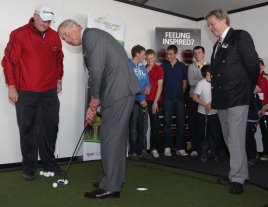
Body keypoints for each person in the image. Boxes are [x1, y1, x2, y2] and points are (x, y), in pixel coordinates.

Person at [57, 19, 141, 199]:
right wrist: (96, 101)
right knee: (116, 137)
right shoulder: (93, 35)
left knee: (110, 136)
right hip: (121, 91)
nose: (66, 40)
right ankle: (115, 178)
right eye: (63, 38)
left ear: (75, 27)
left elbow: (96, 71)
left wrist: (93, 102)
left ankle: (111, 186)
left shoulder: (91, 37)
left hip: (118, 91)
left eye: (65, 34)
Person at [1, 3, 64, 181]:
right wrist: (11, 86)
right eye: (43, 20)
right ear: (35, 16)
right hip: (25, 91)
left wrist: (59, 78)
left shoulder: (54, 37)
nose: (46, 24)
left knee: (50, 128)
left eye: (49, 21)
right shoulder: (19, 34)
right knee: (27, 129)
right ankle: (29, 167)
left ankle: (50, 164)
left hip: (49, 92)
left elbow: (59, 59)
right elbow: (8, 62)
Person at [205, 9, 259, 194]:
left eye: (212, 24)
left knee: (235, 137)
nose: (210, 28)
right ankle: (241, 173)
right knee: (229, 138)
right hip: (221, 98)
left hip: (237, 95)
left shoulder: (240, 36)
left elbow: (252, 65)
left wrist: (249, 86)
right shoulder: (216, 46)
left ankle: (236, 178)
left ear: (223, 20)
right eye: (208, 26)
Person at [161, 45, 188, 157]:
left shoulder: (182, 66)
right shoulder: (163, 66)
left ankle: (180, 148)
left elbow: (185, 83)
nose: (168, 56)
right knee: (167, 123)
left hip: (179, 99)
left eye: (170, 54)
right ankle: (167, 147)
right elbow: (160, 83)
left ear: (176, 54)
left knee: (181, 124)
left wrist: (179, 94)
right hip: (167, 98)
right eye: (167, 54)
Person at [192, 65, 222, 162]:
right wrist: (206, 105)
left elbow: (219, 96)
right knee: (203, 134)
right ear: (208, 73)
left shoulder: (216, 83)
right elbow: (195, 97)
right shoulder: (201, 83)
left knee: (215, 134)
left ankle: (215, 152)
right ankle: (203, 153)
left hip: (214, 113)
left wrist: (210, 104)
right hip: (202, 113)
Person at [128, 45, 152, 160]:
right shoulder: (127, 66)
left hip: (143, 101)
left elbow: (147, 81)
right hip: (132, 101)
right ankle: (133, 151)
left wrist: (148, 87)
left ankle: (142, 149)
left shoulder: (142, 67)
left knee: (144, 126)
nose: (144, 56)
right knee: (133, 126)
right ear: (137, 54)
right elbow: (129, 85)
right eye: (143, 54)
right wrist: (140, 99)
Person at [188, 46, 208, 158]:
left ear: (203, 53)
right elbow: (191, 82)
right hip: (194, 99)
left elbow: (212, 81)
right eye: (195, 53)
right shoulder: (191, 66)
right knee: (194, 124)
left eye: (199, 52)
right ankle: (195, 149)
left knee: (205, 126)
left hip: (206, 100)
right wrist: (205, 80)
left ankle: (205, 148)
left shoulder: (210, 65)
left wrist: (200, 81)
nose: (197, 55)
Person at [145, 49, 164, 158]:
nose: (150, 61)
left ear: (155, 57)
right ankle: (142, 148)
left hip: (154, 101)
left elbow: (160, 86)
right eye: (147, 59)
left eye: (151, 58)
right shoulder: (143, 69)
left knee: (155, 125)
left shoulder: (159, 69)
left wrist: (156, 102)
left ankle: (154, 148)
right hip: (143, 100)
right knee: (142, 126)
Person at [245, 93, 262, 167]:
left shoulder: (256, 96)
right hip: (247, 120)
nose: (259, 88)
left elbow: (259, 107)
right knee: (247, 139)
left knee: (250, 139)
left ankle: (252, 157)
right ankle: (249, 157)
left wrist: (258, 116)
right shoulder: (248, 95)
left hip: (253, 121)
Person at [257, 59, 268, 161]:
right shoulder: (251, 78)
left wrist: (265, 107)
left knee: (265, 132)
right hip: (255, 111)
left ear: (263, 66)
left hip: (265, 110)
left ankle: (266, 153)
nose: (258, 67)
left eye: (259, 65)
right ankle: (256, 152)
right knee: (254, 132)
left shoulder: (266, 77)